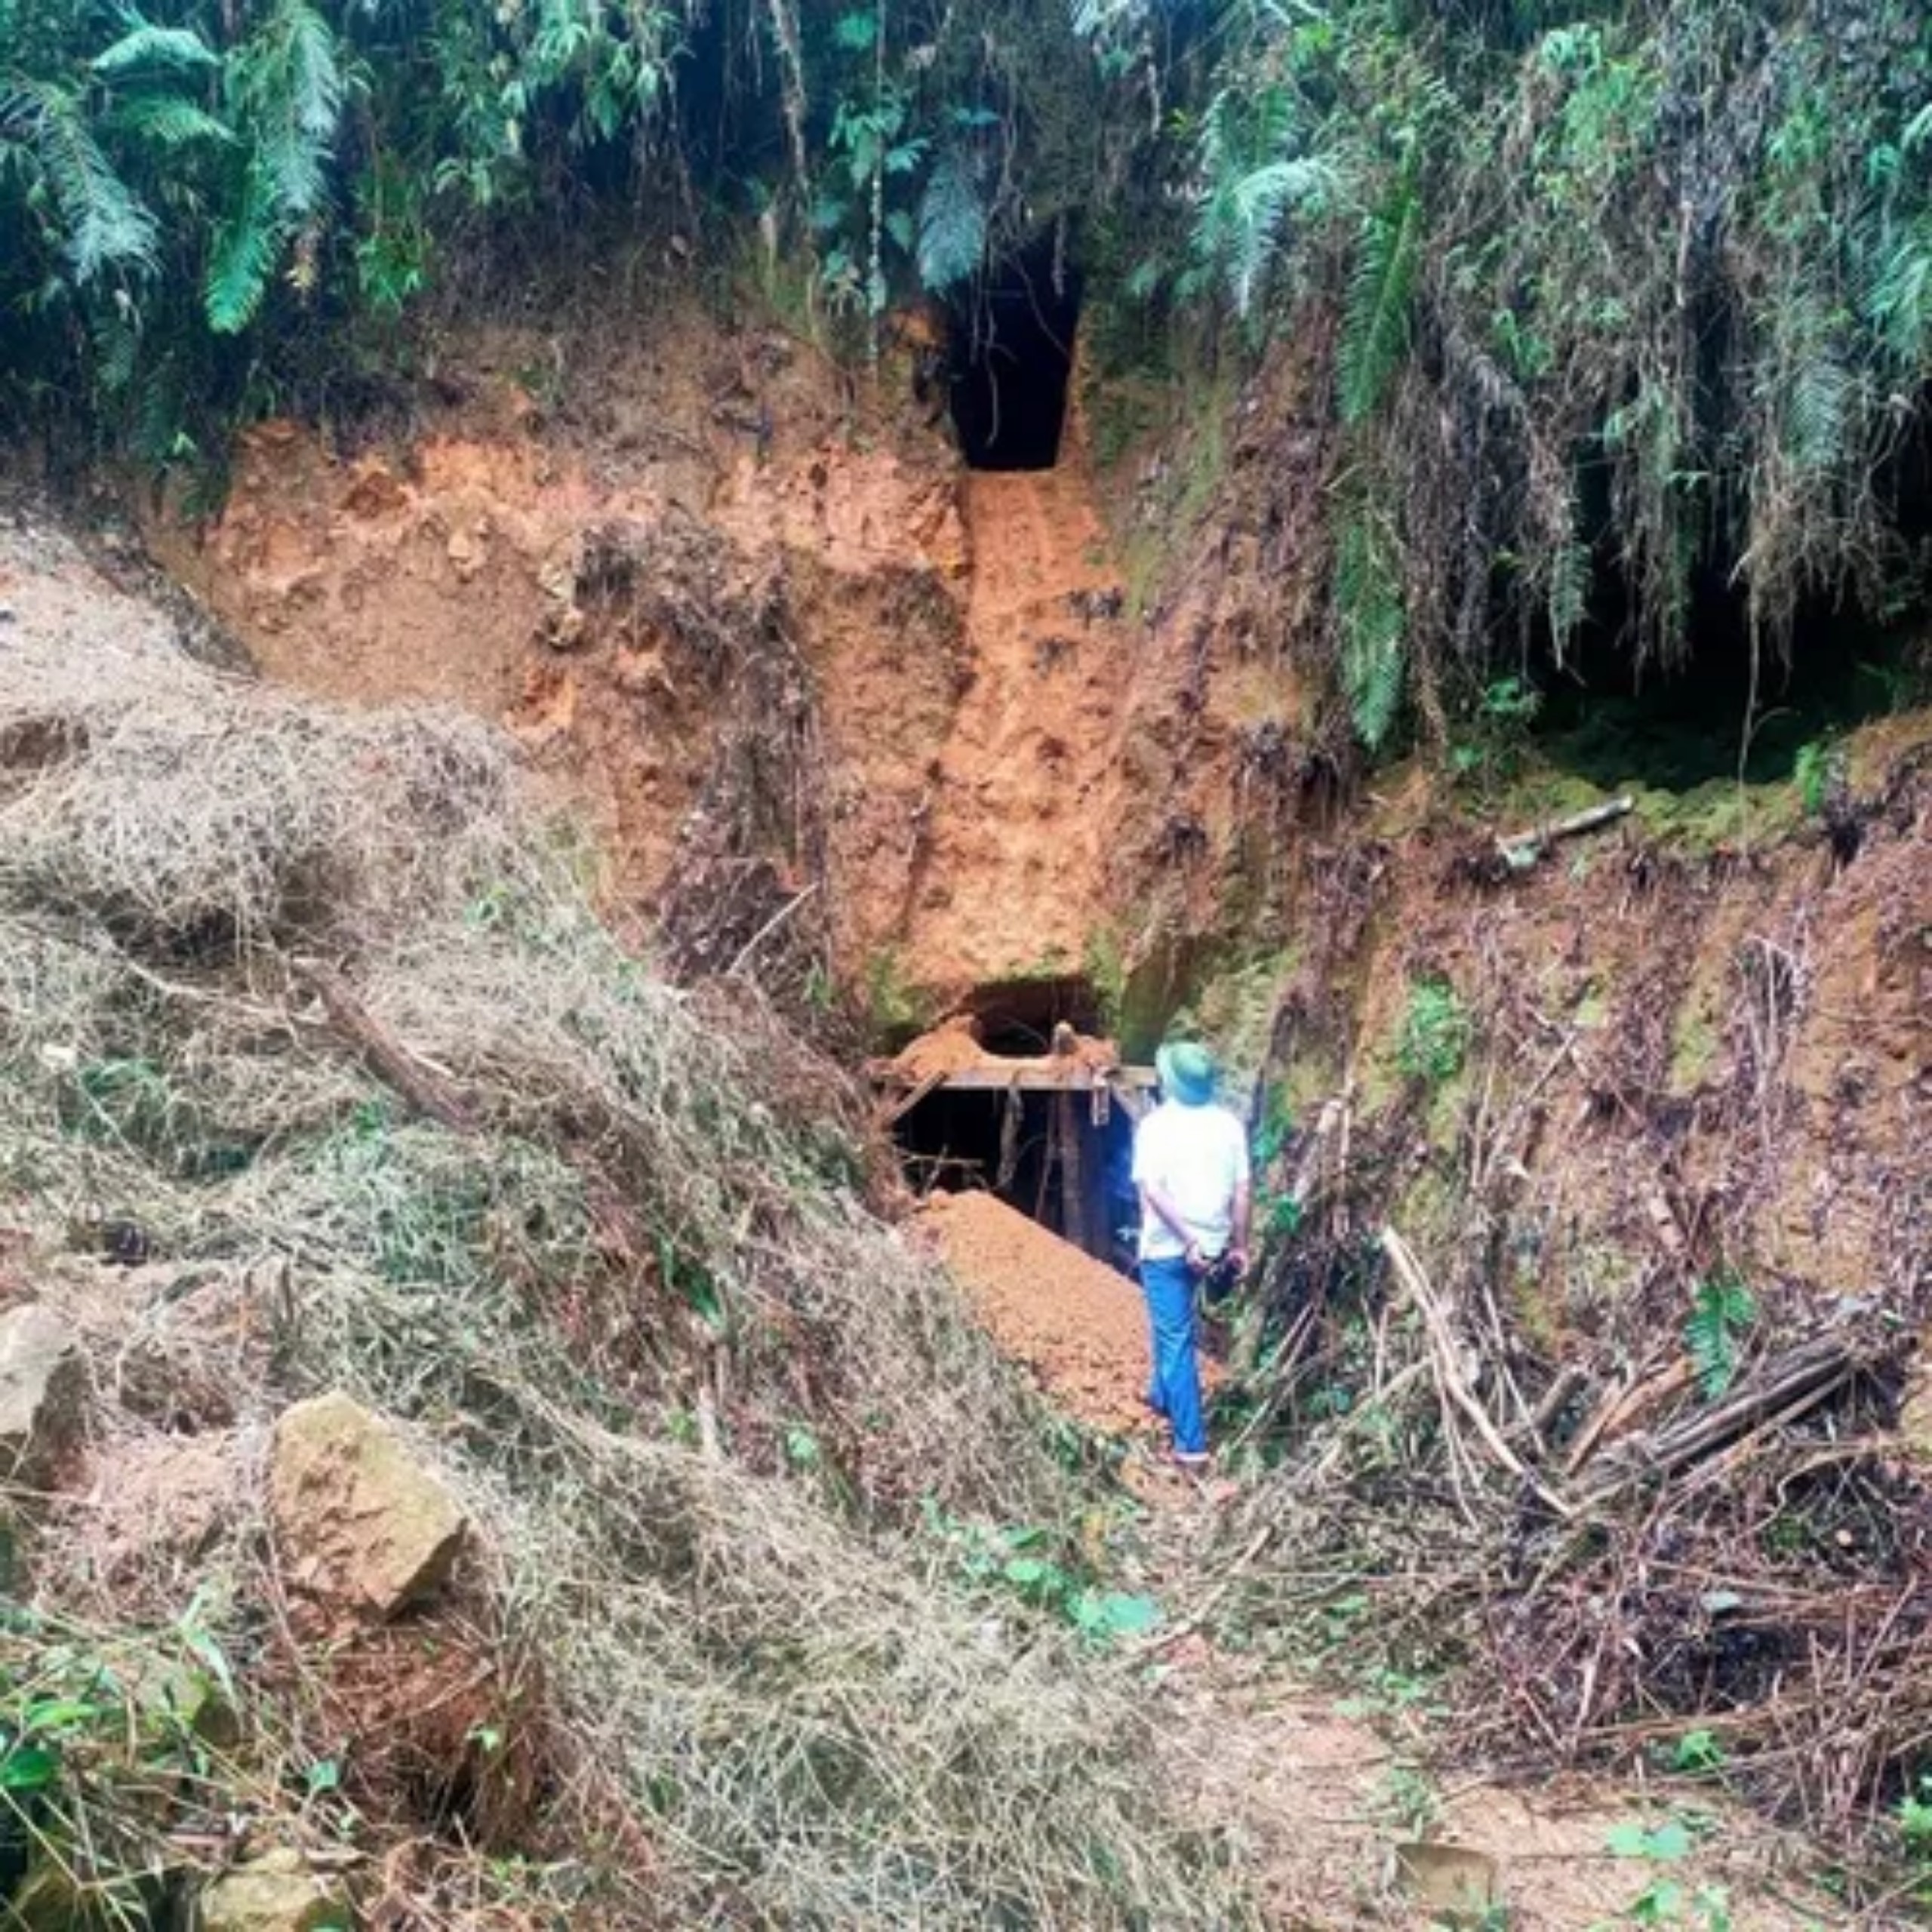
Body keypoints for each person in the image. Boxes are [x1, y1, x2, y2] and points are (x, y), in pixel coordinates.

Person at [1132, 1041, 1251, 1470]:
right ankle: (1161, 1394)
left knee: (1176, 1338)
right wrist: (1240, 1246)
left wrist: (1186, 1240)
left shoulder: (1155, 1126)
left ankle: (1191, 1446)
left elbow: (1153, 1191)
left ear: (1168, 1081)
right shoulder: (1230, 1126)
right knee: (1173, 1328)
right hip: (1216, 1246)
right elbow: (1241, 1192)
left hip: (1170, 1248)